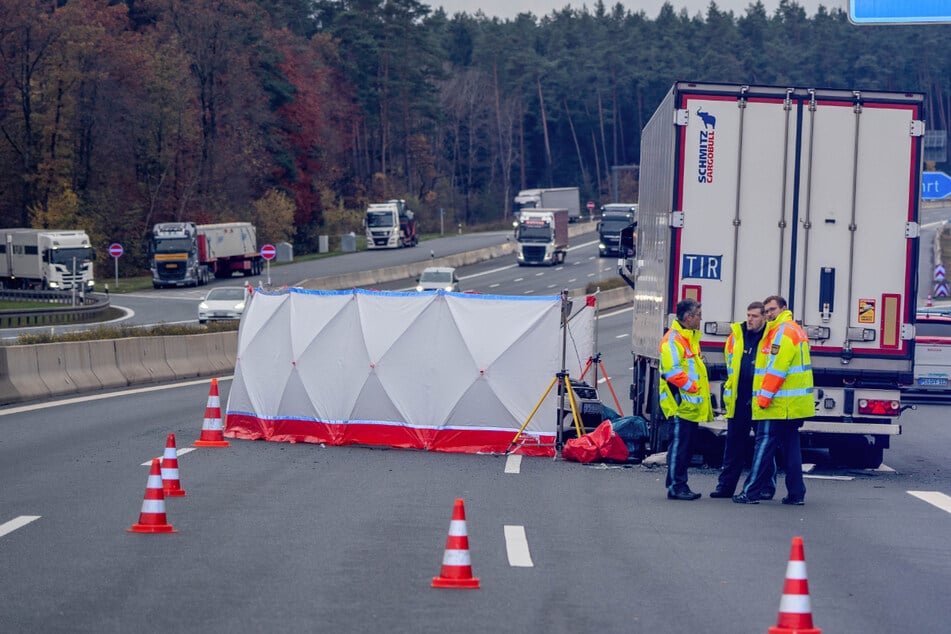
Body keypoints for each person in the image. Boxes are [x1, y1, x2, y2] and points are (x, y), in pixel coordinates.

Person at [733, 295, 814, 505]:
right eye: (767, 310)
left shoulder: (782, 332)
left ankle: (751, 492)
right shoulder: (793, 329)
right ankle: (796, 494)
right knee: (791, 450)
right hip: (792, 404)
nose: (769, 314)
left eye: (772, 310)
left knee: (763, 446)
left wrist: (764, 398)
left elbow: (777, 369)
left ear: (784, 308)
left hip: (778, 403)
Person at [710, 301, 775, 499]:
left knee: (763, 448)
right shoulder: (736, 336)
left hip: (760, 400)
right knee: (733, 445)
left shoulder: (770, 338)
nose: (750, 320)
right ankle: (725, 486)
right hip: (739, 399)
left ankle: (766, 487)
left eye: (754, 316)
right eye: (748, 315)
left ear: (764, 317)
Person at [658, 298, 712, 501]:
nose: (700, 318)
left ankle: (679, 484)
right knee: (680, 447)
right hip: (680, 405)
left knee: (685, 448)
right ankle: (675, 486)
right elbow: (672, 372)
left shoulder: (688, 338)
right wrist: (694, 387)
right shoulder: (673, 339)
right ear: (688, 317)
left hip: (688, 405)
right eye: (699, 315)